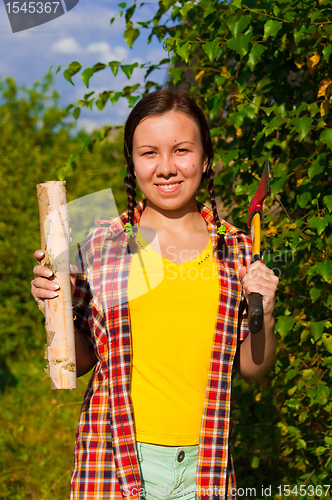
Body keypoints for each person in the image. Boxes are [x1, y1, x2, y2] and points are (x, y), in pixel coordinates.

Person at [31, 89, 278, 500]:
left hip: (208, 466)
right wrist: (52, 306)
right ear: (132, 162)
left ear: (205, 157)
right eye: (149, 153)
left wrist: (265, 313)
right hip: (110, 462)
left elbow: (254, 370)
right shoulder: (100, 243)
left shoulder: (236, 251)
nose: (166, 168)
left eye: (181, 149)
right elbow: (78, 363)